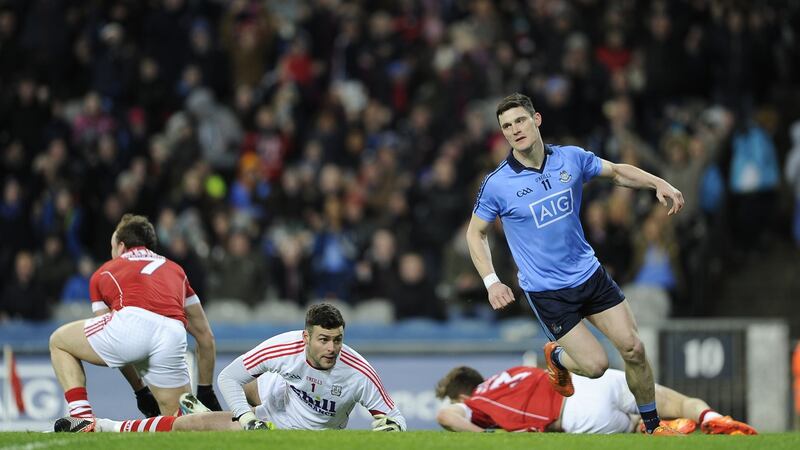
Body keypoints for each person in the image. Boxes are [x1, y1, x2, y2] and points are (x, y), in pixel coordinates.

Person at [466, 93, 685, 435]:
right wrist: (491, 280)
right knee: (596, 366)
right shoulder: (497, 184)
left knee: (634, 349)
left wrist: (658, 182)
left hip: (590, 275)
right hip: (548, 292)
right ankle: (556, 358)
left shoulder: (571, 158)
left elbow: (615, 173)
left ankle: (653, 427)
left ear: (536, 119)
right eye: (506, 126)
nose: (514, 129)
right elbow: (474, 233)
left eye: (520, 120)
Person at [54, 303, 406, 433]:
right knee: (187, 425)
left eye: (338, 340)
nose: (332, 348)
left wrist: (390, 428)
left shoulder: (357, 371)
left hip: (317, 433)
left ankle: (227, 410)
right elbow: (229, 376)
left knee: (251, 392)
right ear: (305, 337)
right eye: (324, 340)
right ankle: (100, 426)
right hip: (272, 415)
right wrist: (248, 418)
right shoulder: (283, 348)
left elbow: (394, 416)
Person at [48, 213, 221, 420]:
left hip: (131, 322)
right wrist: (205, 389)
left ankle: (82, 418)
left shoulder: (104, 272)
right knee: (179, 420)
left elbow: (118, 343)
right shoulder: (176, 270)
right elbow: (205, 335)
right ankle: (237, 423)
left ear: (121, 246)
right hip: (173, 332)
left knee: (59, 341)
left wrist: (140, 390)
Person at [435, 365, 757, 435]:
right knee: (681, 400)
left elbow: (447, 417)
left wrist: (489, 437)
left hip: (576, 411)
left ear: (464, 394)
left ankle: (652, 429)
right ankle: (710, 417)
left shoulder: (477, 402)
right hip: (595, 379)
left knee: (631, 429)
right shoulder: (514, 372)